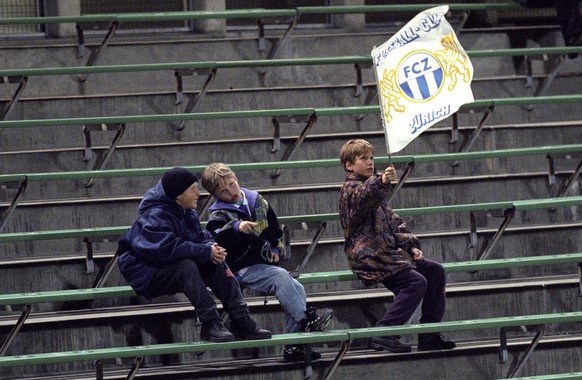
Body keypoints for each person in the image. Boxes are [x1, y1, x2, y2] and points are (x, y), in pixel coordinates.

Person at [117, 167, 272, 344]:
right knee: (186, 266)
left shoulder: (186, 209)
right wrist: (204, 251)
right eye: (193, 189)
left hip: (169, 263)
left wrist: (210, 247)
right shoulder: (154, 215)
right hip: (146, 271)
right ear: (178, 195)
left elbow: (199, 236)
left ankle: (240, 318)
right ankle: (210, 322)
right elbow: (164, 249)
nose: (199, 193)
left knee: (215, 260)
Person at [201, 162, 333, 362]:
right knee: (282, 277)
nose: (231, 192)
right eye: (224, 191)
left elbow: (274, 230)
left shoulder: (257, 200)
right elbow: (218, 238)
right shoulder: (218, 213)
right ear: (216, 195)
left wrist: (275, 248)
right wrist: (236, 227)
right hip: (240, 268)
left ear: (235, 177)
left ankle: (293, 347)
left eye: (231, 184)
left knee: (297, 288)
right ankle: (305, 320)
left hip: (263, 264)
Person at [337, 139, 455, 353]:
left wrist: (411, 246)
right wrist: (381, 181)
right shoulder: (349, 190)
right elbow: (362, 201)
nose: (370, 162)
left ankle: (429, 334)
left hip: (387, 253)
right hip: (369, 255)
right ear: (349, 165)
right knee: (415, 282)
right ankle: (384, 333)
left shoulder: (375, 194)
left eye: (372, 158)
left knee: (434, 271)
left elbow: (394, 223)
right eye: (364, 158)